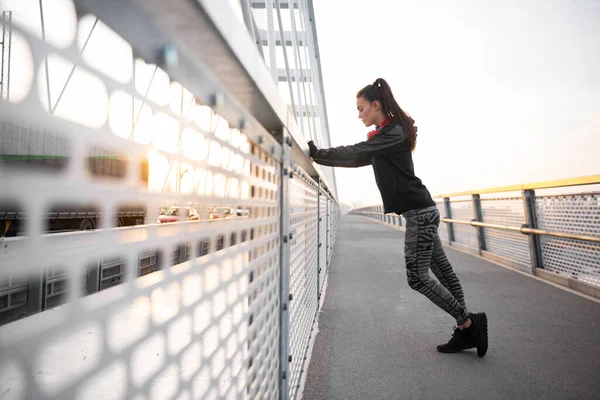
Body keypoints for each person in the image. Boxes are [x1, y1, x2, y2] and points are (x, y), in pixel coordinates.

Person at [307, 78, 488, 357]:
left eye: (361, 108)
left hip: (420, 213)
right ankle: (466, 330)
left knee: (417, 278)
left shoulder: (392, 134)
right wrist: (321, 157)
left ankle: (468, 323)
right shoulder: (387, 135)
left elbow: (358, 151)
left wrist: (319, 154)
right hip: (421, 212)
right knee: (442, 272)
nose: (359, 115)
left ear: (375, 105)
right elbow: (357, 158)